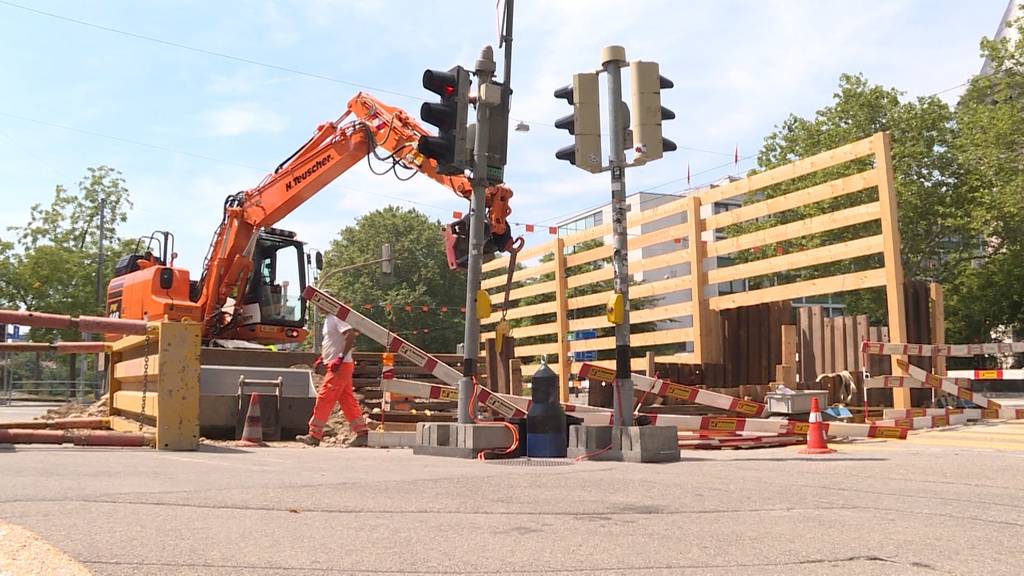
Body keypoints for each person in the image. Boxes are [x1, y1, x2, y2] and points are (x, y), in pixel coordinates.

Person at [296, 314, 368, 447]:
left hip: (339, 366)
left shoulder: (337, 317)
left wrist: (340, 358)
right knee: (347, 400)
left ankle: (314, 435)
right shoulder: (329, 319)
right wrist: (323, 359)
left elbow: (350, 334)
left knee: (324, 397)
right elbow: (332, 343)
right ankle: (362, 432)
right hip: (339, 365)